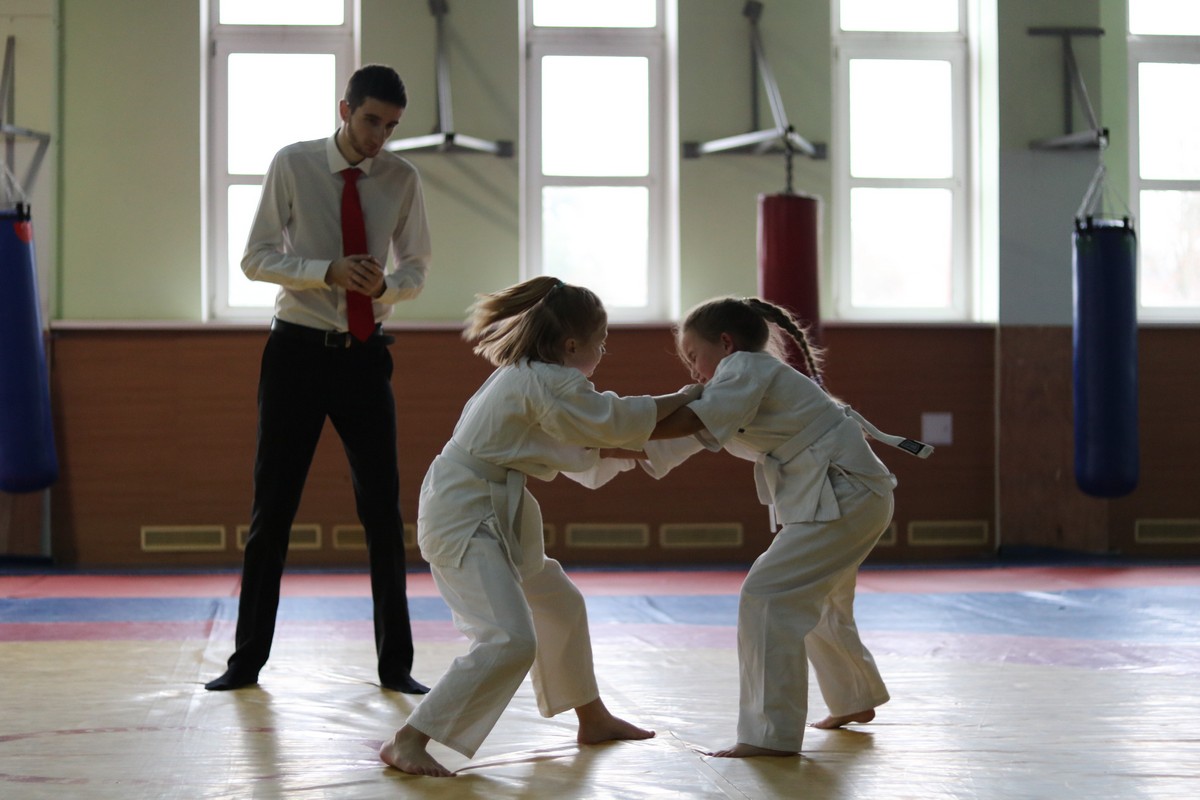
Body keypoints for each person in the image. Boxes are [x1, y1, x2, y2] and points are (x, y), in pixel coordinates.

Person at [378, 276, 702, 777]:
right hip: (463, 512)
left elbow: (594, 442)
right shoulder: (544, 381)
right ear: (572, 346)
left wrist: (685, 422)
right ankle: (409, 739)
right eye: (601, 344)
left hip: (495, 504)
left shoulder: (532, 377)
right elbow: (614, 422)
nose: (603, 353)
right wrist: (688, 400)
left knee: (559, 605)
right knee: (509, 639)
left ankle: (592, 717)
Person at [205, 64, 432, 695]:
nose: (378, 137)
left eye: (390, 126)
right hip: (296, 354)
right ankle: (245, 662)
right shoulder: (293, 163)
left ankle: (396, 667)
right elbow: (254, 258)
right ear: (344, 109)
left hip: (364, 356)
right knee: (272, 511)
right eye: (370, 121)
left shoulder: (402, 178)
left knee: (382, 513)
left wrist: (385, 285)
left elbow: (416, 268)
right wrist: (324, 271)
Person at [641, 296, 931, 758]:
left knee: (768, 595)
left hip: (846, 495)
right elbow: (691, 432)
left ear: (726, 343)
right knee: (821, 602)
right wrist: (612, 442)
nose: (693, 370)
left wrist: (617, 425)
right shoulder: (746, 379)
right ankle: (854, 698)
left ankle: (768, 734)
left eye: (694, 356)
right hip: (854, 496)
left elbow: (692, 421)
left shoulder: (744, 367)